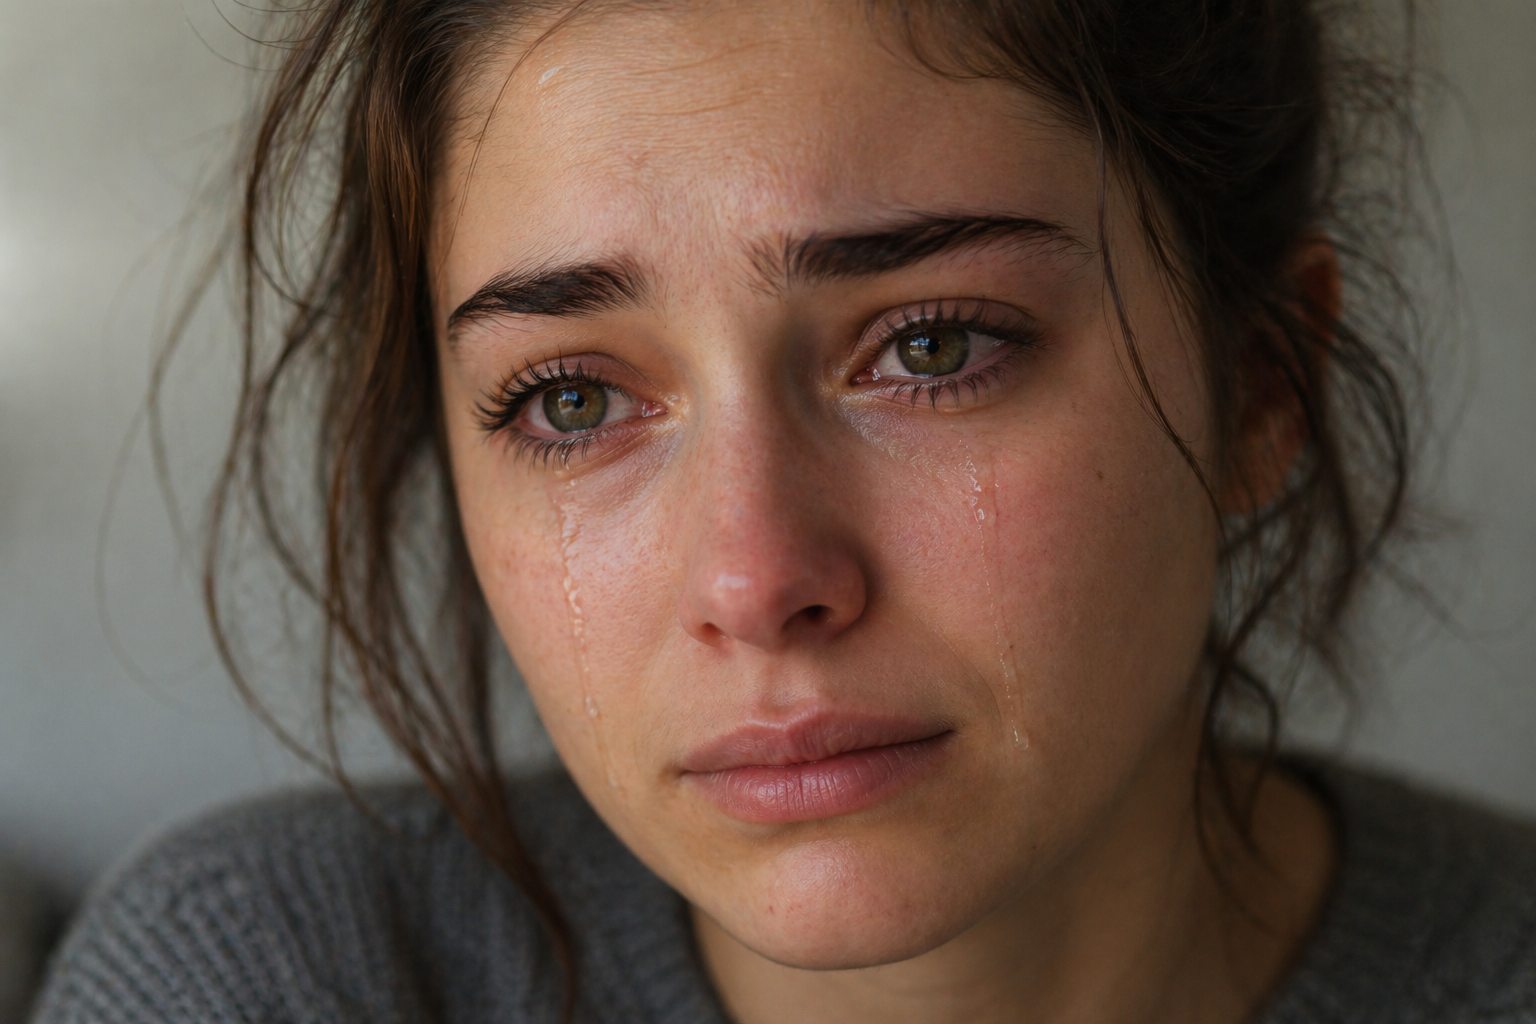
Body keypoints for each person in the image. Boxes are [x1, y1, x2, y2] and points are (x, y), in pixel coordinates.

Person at [30, 1, 1536, 1022]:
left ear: (1265, 384)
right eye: (570, 399)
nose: (758, 578)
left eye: (933, 347)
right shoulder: (273, 979)